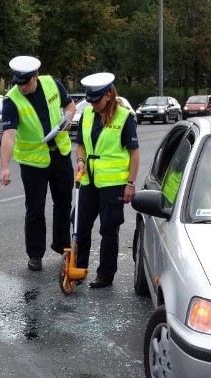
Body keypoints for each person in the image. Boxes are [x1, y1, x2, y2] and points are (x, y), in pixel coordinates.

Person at [0, 55, 76, 272]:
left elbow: (70, 106)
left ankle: (62, 245)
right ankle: (35, 254)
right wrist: (4, 167)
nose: (22, 87)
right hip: (32, 162)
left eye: (26, 82)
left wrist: (68, 119)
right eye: (18, 83)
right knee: (35, 209)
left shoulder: (52, 83)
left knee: (64, 202)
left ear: (36, 76)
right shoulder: (11, 100)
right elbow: (8, 135)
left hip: (60, 154)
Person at [74, 72, 140, 288]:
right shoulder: (88, 115)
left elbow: (134, 153)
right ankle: (79, 269)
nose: (93, 104)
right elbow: (81, 144)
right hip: (89, 181)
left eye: (96, 100)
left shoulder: (124, 117)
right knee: (80, 226)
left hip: (113, 185)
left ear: (108, 96)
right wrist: (81, 160)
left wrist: (130, 183)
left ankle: (105, 275)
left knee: (108, 230)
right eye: (90, 100)